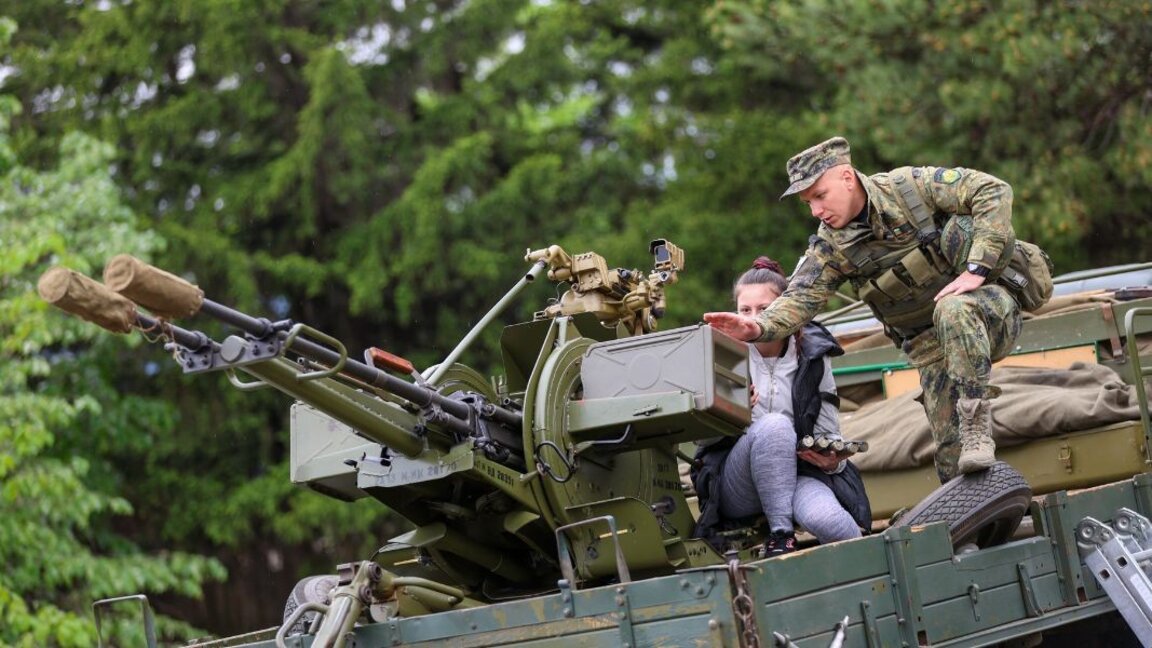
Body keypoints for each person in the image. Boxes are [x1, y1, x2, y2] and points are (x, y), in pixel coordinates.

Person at [704, 136, 1022, 484]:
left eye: (820, 196)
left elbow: (993, 190)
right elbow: (800, 297)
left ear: (846, 177)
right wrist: (757, 328)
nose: (816, 211)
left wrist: (977, 267)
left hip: (989, 313)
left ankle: (977, 424)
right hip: (930, 343)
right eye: (808, 202)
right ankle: (975, 522)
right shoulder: (832, 248)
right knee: (952, 458)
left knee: (953, 308)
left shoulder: (911, 189)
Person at [692, 257, 870, 557]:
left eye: (764, 309)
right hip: (736, 479)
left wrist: (833, 461)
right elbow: (702, 441)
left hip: (800, 471)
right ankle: (781, 534)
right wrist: (730, 412)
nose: (752, 318)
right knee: (774, 425)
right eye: (745, 310)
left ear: (787, 311)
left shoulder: (814, 354)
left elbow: (829, 430)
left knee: (831, 522)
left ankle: (877, 581)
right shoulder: (719, 353)